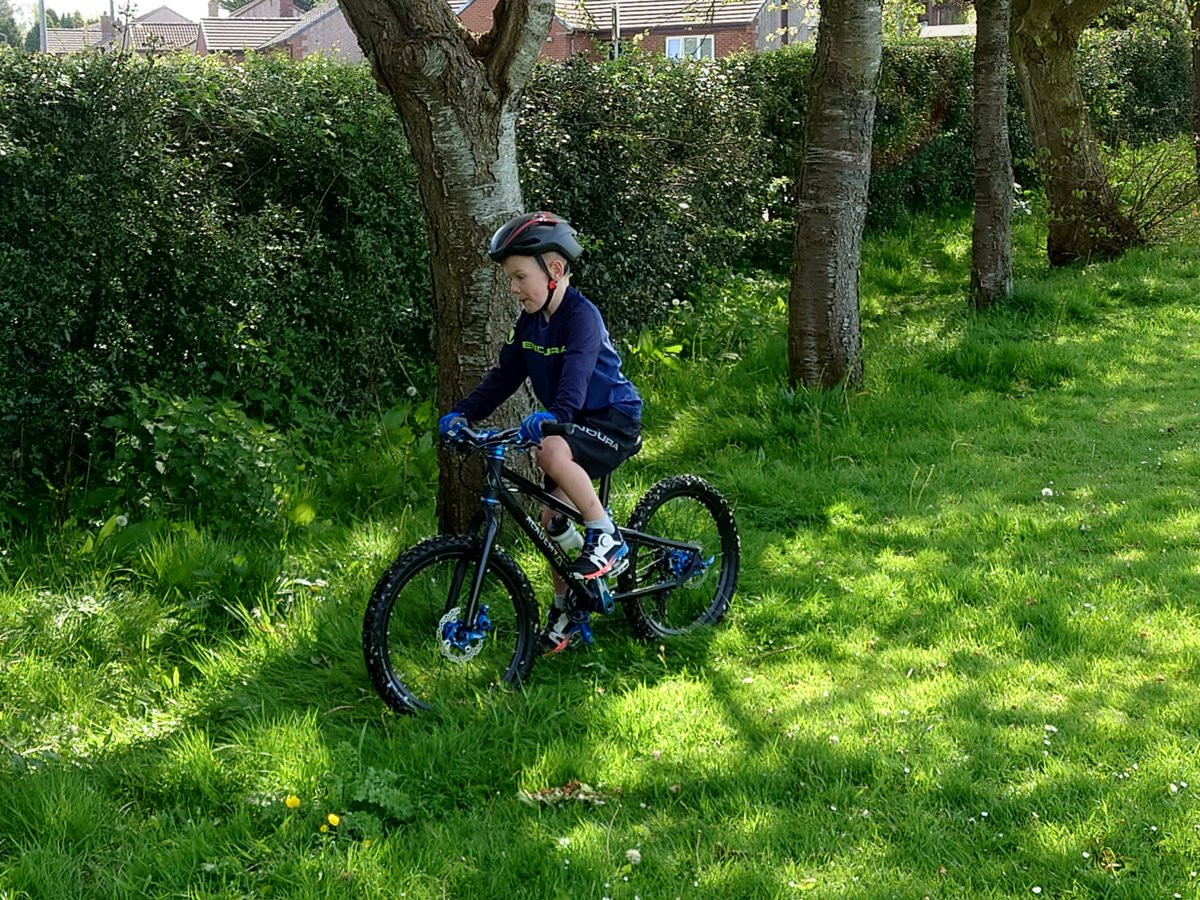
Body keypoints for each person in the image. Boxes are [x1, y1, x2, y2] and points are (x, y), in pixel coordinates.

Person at [438, 211, 643, 653]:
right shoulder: (529, 324)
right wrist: (462, 414)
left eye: (519, 277)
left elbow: (576, 376)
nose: (513, 288)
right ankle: (569, 609)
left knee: (548, 452)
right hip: (570, 424)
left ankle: (606, 535)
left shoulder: (580, 317)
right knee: (551, 521)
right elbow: (502, 377)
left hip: (612, 419)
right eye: (510, 279)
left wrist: (554, 417)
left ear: (554, 271)